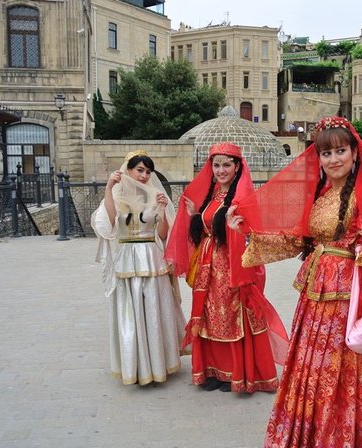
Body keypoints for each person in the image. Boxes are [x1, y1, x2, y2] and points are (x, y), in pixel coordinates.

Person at [228, 116, 362, 447]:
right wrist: (248, 228)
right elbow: (298, 241)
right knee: (307, 366)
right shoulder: (321, 194)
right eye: (326, 153)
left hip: (342, 294)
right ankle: (305, 433)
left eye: (340, 150)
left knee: (333, 369)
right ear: (318, 158)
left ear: (354, 153)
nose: (334, 159)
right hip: (313, 294)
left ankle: (332, 436)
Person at [164, 142, 288, 393]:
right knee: (210, 316)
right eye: (216, 165)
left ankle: (237, 373)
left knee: (231, 316)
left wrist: (236, 231)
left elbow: (251, 235)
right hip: (209, 268)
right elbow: (209, 229)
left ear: (237, 167)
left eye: (226, 165)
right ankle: (213, 370)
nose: (221, 170)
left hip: (231, 266)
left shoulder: (241, 198)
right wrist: (195, 216)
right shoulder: (213, 195)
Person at [91, 150, 186, 385]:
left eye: (147, 171)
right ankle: (135, 366)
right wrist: (108, 189)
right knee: (129, 311)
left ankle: (158, 364)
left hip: (151, 256)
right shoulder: (117, 194)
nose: (144, 175)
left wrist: (163, 212)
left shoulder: (155, 196)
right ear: (128, 170)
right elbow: (110, 225)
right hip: (126, 257)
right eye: (139, 170)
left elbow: (163, 235)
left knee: (154, 308)